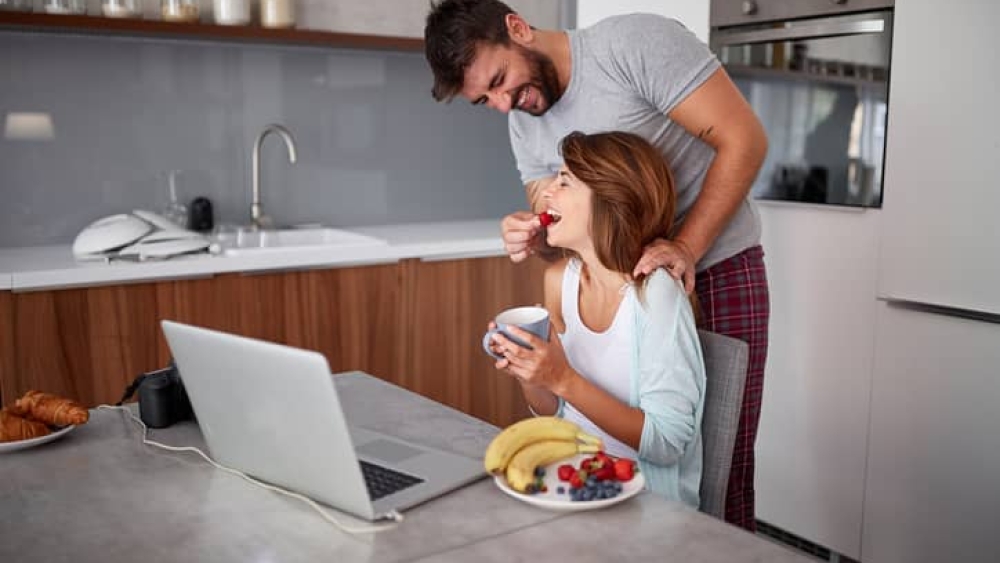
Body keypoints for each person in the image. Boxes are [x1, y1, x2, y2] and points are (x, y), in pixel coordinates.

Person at [425, 0, 769, 530]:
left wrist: (686, 249)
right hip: (615, 281)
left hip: (713, 262)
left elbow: (745, 139)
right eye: (484, 99)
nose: (501, 104)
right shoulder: (524, 118)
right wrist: (535, 234)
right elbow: (557, 225)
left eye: (499, 80)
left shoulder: (632, 46)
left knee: (722, 471)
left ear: (518, 29)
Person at [486, 130, 705, 507]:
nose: (547, 193)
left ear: (610, 201)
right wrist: (532, 372)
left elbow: (667, 444)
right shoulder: (559, 281)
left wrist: (563, 378)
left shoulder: (656, 296)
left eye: (564, 181)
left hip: (646, 504)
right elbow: (552, 410)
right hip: (573, 483)